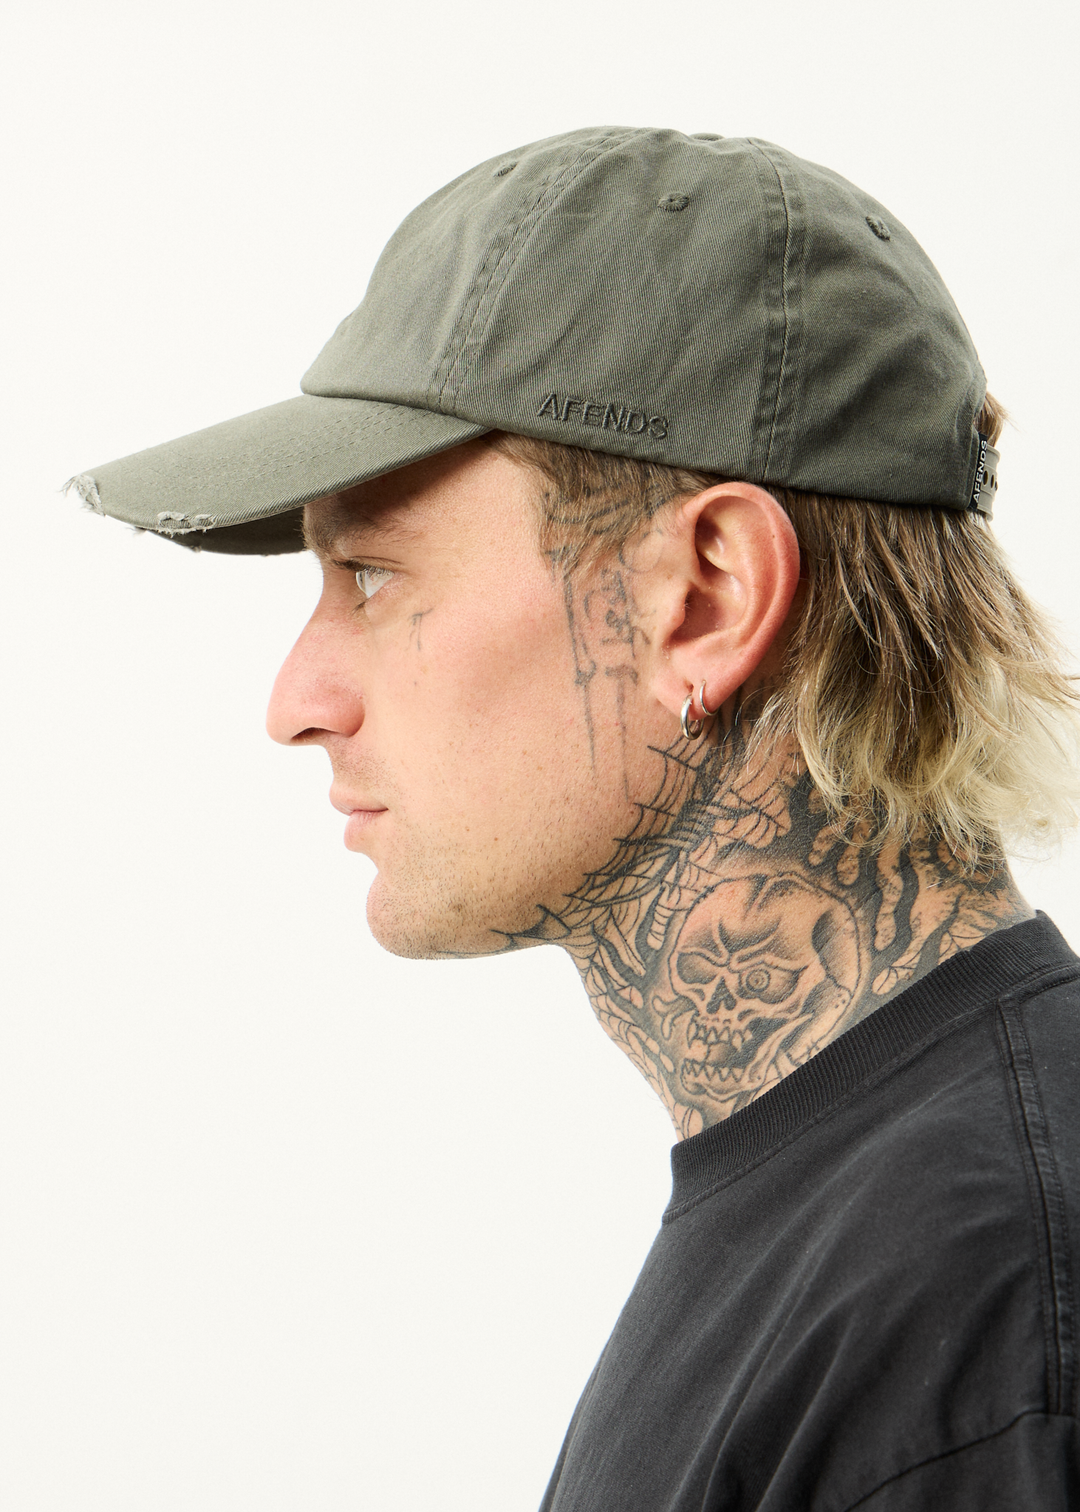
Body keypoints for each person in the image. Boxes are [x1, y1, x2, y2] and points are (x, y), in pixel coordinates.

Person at [70, 128, 1080, 1508]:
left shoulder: (983, 1307)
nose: (296, 702)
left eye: (372, 576)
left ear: (708, 596)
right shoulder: (862, 1227)